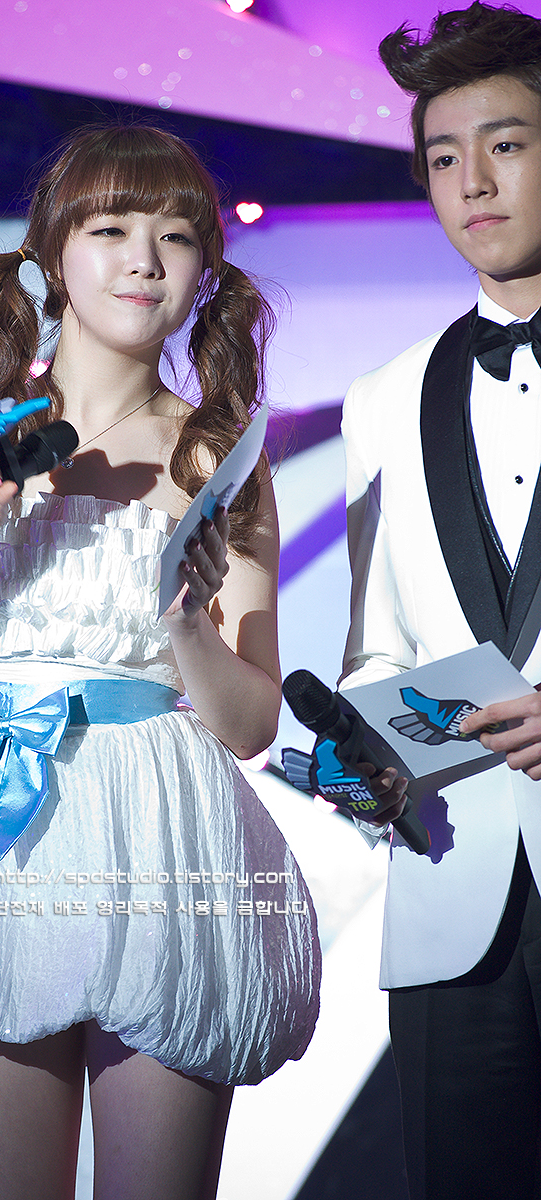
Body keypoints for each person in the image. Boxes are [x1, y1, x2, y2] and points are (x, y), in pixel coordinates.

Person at [0, 125, 320, 1200]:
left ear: (203, 270)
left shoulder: (220, 455)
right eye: (111, 228)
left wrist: (186, 623)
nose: (144, 260)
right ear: (51, 255)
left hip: (163, 835)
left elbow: (251, 724)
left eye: (175, 236)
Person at [338, 4, 541, 1196]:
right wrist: (367, 752)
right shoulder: (378, 398)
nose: (471, 182)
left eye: (505, 144)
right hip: (449, 892)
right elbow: (373, 651)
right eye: (441, 157)